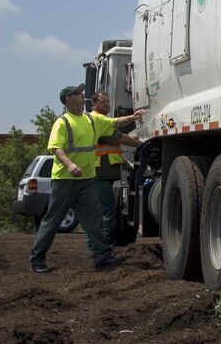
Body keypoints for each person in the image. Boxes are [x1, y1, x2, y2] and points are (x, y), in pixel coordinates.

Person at [29, 83, 141, 273]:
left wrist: (133, 116)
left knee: (94, 219)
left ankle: (102, 257)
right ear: (68, 100)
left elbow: (115, 123)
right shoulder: (62, 122)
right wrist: (70, 164)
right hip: (65, 179)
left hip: (87, 179)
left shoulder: (91, 120)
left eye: (81, 93)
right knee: (53, 220)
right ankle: (37, 258)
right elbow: (56, 148)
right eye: (78, 94)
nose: (83, 95)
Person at [89, 91, 141, 248]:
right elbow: (119, 132)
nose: (107, 104)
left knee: (103, 211)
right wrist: (134, 118)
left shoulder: (102, 123)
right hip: (99, 174)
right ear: (94, 105)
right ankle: (103, 246)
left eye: (108, 101)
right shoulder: (97, 119)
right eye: (103, 101)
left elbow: (115, 147)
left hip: (105, 173)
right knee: (107, 211)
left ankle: (96, 245)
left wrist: (127, 165)